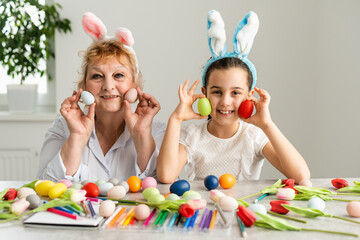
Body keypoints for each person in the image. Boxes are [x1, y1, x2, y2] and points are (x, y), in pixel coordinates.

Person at [157, 10, 310, 184]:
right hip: (204, 210)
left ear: (250, 96)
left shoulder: (253, 137)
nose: (225, 102)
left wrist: (267, 125)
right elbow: (166, 176)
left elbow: (301, 176)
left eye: (235, 93)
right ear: (204, 93)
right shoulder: (193, 137)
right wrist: (176, 119)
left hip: (243, 209)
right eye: (217, 92)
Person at [37, 13, 165, 182]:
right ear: (84, 86)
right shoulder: (62, 128)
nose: (108, 86)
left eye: (118, 75)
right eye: (97, 76)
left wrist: (142, 135)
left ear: (135, 85)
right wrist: (77, 136)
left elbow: (167, 193)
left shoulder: (156, 131)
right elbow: (43, 188)